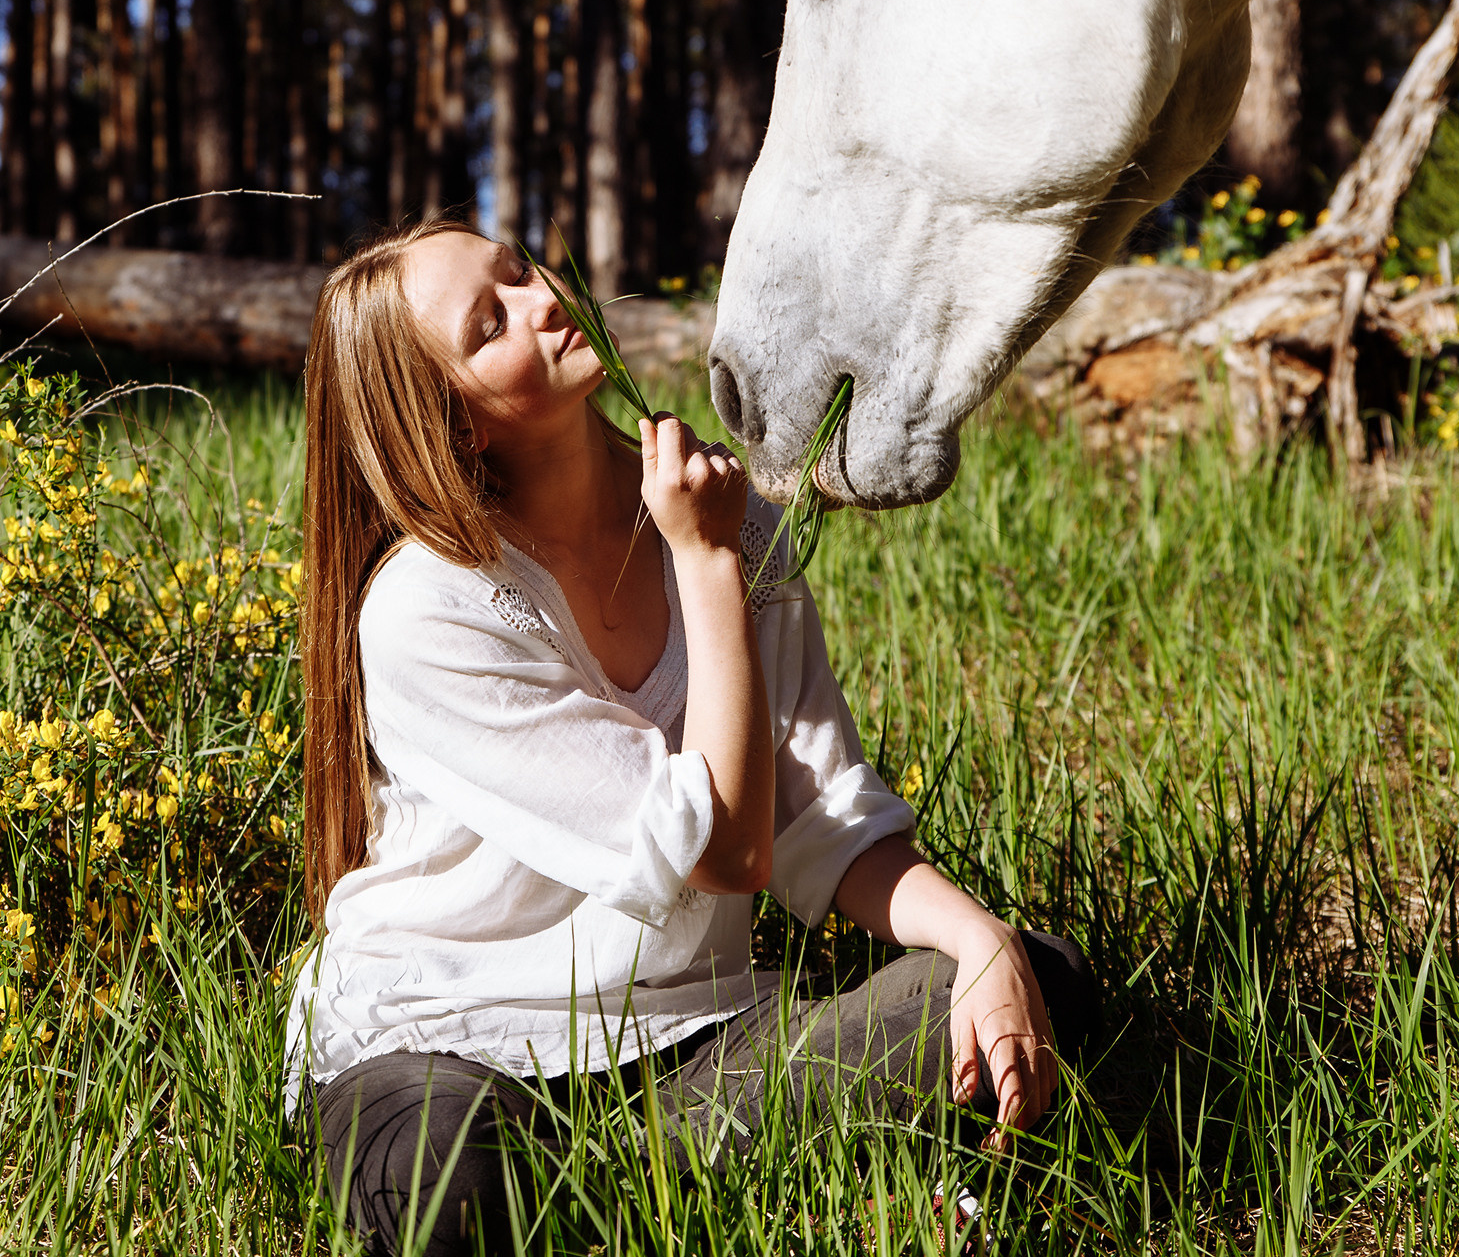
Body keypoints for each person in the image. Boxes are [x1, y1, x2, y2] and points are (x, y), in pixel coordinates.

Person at [287, 220, 1095, 1254]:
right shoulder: (433, 608)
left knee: (1030, 986)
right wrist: (705, 567)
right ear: (460, 424)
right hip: (447, 1044)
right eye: (492, 324)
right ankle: (646, 1188)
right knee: (440, 1185)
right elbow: (727, 855)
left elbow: (822, 820)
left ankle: (629, 1189)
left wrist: (981, 941)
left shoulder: (733, 520)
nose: (543, 300)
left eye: (520, 269)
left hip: (691, 1041)